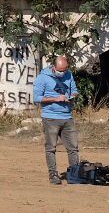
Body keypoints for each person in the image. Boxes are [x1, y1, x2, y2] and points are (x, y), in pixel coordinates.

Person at [33, 54, 79, 185]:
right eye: (60, 71)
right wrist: (55, 98)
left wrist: (71, 96)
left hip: (67, 116)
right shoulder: (42, 78)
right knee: (51, 148)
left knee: (73, 148)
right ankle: (53, 175)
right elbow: (36, 98)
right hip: (50, 118)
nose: (63, 73)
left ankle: (74, 174)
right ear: (54, 67)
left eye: (65, 70)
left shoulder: (69, 74)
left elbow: (75, 90)